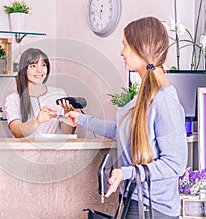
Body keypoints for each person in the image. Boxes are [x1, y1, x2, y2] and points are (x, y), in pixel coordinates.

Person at [66, 17, 188, 218]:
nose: (122, 52)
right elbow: (123, 130)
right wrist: (80, 119)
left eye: (125, 45)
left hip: (153, 209)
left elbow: (175, 164)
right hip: (135, 199)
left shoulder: (164, 101)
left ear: (142, 48)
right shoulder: (145, 95)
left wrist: (127, 172)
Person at [5, 48, 75, 138]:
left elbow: (67, 133)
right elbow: (17, 131)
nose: (40, 70)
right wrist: (37, 121)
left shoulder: (59, 94)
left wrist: (68, 118)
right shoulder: (13, 99)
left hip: (53, 150)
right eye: (33, 66)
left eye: (43, 65)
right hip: (25, 151)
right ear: (24, 70)